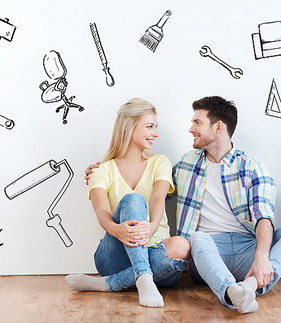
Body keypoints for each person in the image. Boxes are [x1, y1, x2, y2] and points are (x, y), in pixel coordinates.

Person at [85, 96, 281, 314]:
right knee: (196, 238)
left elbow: (264, 216)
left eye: (197, 122)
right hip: (207, 251)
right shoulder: (185, 165)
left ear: (218, 127)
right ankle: (229, 290)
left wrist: (261, 257)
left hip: (248, 249)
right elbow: (150, 194)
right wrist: (101, 173)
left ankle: (251, 284)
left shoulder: (253, 167)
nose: (191, 128)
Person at [67, 98, 190, 308]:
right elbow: (102, 213)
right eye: (150, 126)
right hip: (116, 255)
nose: (156, 133)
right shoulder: (101, 170)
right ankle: (143, 276)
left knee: (182, 245)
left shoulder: (160, 162)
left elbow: (158, 197)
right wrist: (116, 230)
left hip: (156, 251)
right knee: (133, 199)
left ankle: (107, 284)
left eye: (156, 127)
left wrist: (151, 228)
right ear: (130, 126)